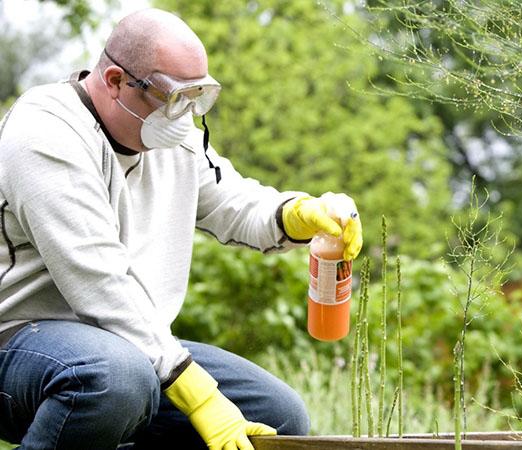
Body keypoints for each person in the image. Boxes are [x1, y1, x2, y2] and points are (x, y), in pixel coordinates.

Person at [0, 8, 362, 450]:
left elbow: (232, 201)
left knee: (277, 416)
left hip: (127, 345)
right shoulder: (46, 133)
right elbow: (99, 281)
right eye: (174, 97)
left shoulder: (172, 135)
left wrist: (298, 213)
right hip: (20, 340)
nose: (186, 114)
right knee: (116, 380)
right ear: (116, 81)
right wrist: (199, 395)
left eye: (198, 96)